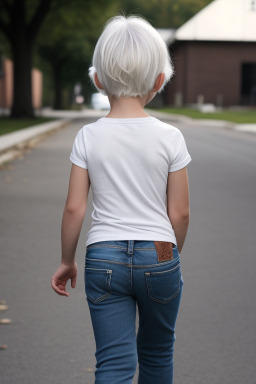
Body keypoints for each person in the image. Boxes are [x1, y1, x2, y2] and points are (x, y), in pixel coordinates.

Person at [51, 14, 192, 384]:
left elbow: (74, 208)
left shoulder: (88, 137)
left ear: (97, 79)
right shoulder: (170, 138)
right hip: (160, 253)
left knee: (113, 364)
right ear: (160, 81)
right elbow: (179, 213)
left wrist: (67, 260)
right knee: (158, 353)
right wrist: (168, 256)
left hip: (103, 256)